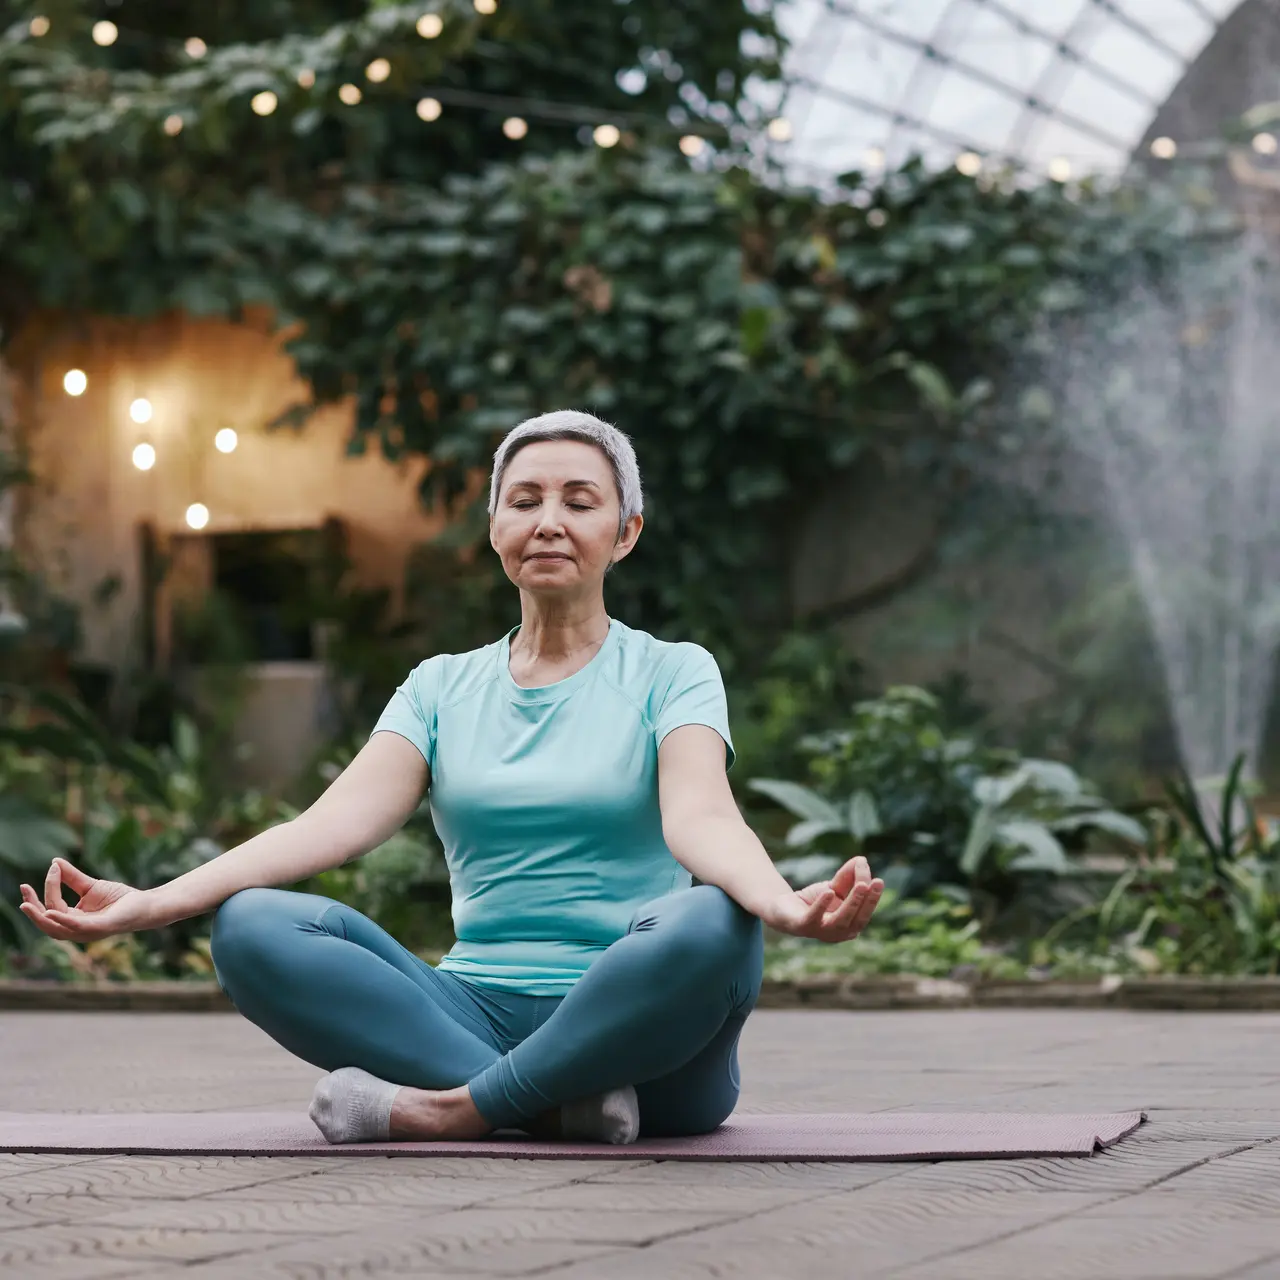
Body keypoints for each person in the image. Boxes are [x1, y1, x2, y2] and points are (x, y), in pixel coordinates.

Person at [19, 410, 884, 1146]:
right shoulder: (440, 686)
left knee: (714, 923)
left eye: (580, 503)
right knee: (250, 926)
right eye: (526, 500)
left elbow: (702, 819)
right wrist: (154, 903)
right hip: (467, 1012)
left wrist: (781, 905)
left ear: (625, 535)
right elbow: (328, 827)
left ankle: (447, 1113)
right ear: (496, 528)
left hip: (647, 1043)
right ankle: (552, 1106)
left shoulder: (674, 671)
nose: (549, 521)